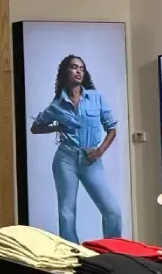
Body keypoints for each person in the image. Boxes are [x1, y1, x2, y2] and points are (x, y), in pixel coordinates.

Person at [30, 54, 122, 242]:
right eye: (74, 67)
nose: (79, 71)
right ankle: (72, 255)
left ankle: (114, 253)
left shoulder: (96, 98)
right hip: (65, 159)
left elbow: (112, 129)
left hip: (91, 160)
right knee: (67, 213)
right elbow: (35, 127)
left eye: (81, 68)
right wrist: (56, 127)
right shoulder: (57, 105)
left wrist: (99, 152)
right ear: (66, 71)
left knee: (112, 210)